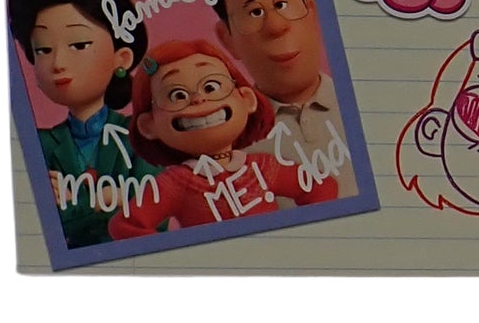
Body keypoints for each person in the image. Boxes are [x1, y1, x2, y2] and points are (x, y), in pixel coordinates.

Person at [110, 40, 337, 237]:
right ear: (149, 125)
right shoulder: (174, 184)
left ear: (246, 99)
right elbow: (127, 226)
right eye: (177, 95)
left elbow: (322, 187)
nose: (198, 100)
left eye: (211, 87)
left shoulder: (264, 168)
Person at [5, 0, 160, 248]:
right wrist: (111, 198)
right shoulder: (38, 144)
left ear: (121, 58)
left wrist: (74, 202)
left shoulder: (144, 134)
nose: (58, 63)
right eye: (43, 50)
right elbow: (37, 222)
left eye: (78, 45)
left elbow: (155, 214)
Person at [209, 0, 356, 197]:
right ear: (227, 39)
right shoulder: (226, 149)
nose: (276, 26)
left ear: (310, 11)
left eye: (282, 4)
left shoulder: (367, 99)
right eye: (254, 12)